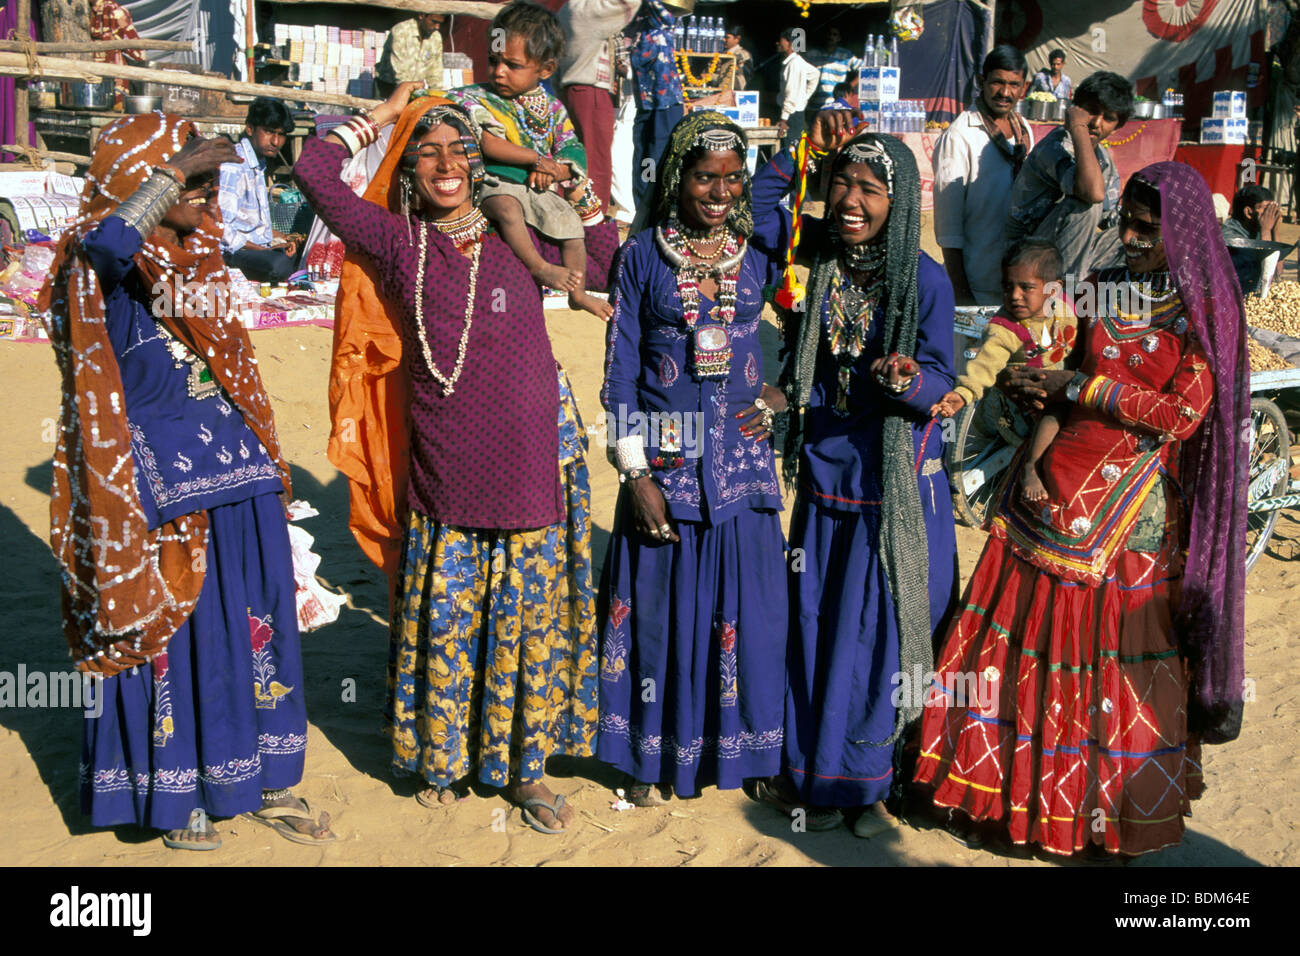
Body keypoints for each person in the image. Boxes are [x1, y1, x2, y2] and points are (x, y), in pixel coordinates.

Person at [294, 84, 617, 834]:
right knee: (452, 611)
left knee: (529, 616)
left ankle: (527, 772)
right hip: (448, 452)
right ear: (406, 171)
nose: (445, 163)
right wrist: (378, 119)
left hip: (534, 443)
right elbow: (314, 173)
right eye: (427, 152)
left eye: (458, 150)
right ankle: (446, 756)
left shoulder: (516, 230)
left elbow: (602, 264)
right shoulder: (397, 240)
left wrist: (579, 189)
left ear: (477, 165)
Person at [915, 163, 1250, 857]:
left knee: (1114, 662)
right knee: (1023, 648)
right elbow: (1051, 350)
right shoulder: (1097, 292)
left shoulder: (1203, 312)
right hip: (1045, 489)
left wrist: (1081, 385)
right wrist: (1028, 384)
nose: (1127, 238)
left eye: (1145, 230)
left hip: (1129, 512)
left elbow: (1181, 415)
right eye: (1123, 222)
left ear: (1183, 236)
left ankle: (1101, 816)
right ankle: (1013, 803)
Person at [39, 112, 333, 851]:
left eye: (209, 180)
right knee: (181, 635)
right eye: (193, 181)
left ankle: (252, 777)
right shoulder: (93, 270)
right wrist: (170, 176)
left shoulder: (193, 259)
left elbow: (254, 309)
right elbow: (106, 242)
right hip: (159, 485)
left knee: (250, 631)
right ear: (143, 180)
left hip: (238, 473)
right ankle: (179, 793)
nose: (207, 194)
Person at [751, 113, 959, 837]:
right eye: (844, 180)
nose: (852, 200)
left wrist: (907, 379)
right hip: (823, 475)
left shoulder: (925, 281)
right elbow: (754, 209)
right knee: (814, 627)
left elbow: (942, 379)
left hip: (890, 488)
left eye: (872, 188)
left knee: (875, 638)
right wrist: (800, 148)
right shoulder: (820, 258)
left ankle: (867, 788)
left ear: (900, 204)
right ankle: (807, 775)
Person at [598, 111, 788, 805]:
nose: (720, 191)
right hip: (668, 473)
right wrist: (635, 472)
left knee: (751, 615)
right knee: (662, 619)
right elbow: (620, 372)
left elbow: (813, 328)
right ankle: (650, 760)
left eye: (733, 179)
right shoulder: (643, 256)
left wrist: (781, 396)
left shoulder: (758, 253)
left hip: (743, 474)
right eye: (706, 176)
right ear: (677, 177)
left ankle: (750, 753)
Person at [448, 0, 611, 318]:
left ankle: (577, 294)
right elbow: (488, 142)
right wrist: (536, 160)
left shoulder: (552, 109)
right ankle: (540, 267)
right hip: (495, 187)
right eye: (493, 61)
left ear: (546, 69)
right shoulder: (476, 100)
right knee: (508, 209)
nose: (499, 72)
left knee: (571, 227)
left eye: (512, 64)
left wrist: (558, 169)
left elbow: (571, 147)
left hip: (537, 193)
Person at [1005, 71, 1134, 281]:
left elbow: (1112, 218)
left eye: (1108, 118)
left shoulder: (1102, 157)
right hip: (1027, 251)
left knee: (1137, 233)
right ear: (1076, 109)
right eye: (1091, 111)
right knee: (1086, 206)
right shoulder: (1055, 146)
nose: (1097, 123)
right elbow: (1091, 192)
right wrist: (1077, 127)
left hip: (1066, 250)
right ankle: (1069, 296)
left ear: (1117, 126)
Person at [932, 44, 1035, 305]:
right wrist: (962, 294)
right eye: (997, 82)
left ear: (1024, 87)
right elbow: (948, 228)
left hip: (1018, 283)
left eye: (1014, 84)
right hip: (977, 283)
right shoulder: (960, 136)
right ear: (981, 81)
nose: (1005, 92)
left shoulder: (1023, 130)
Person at [931, 239, 1076, 421]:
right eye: (1008, 287)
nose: (1015, 296)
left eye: (1026, 288)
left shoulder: (1064, 313)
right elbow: (984, 365)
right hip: (1017, 406)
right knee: (1053, 421)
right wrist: (964, 393)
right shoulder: (1004, 329)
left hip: (1055, 389)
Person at [557, 0, 642, 213]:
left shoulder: (567, 9)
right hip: (589, 91)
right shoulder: (588, 10)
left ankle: (577, 214)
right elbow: (628, 4)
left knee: (575, 157)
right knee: (597, 162)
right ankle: (594, 219)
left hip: (572, 89)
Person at [218, 97, 299, 284]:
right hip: (234, 252)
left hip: (257, 248)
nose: (276, 141)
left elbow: (255, 225)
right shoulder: (235, 165)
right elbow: (222, 229)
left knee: (300, 252)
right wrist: (262, 251)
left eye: (281, 134)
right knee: (278, 265)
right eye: (269, 132)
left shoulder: (258, 165)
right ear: (250, 129)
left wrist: (281, 240)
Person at [628, 0, 685, 216]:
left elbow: (660, 9)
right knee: (644, 158)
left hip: (666, 105)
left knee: (658, 155)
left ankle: (662, 210)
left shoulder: (665, 25)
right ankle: (644, 207)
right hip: (645, 105)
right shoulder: (636, 31)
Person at [1223, 183, 1283, 292]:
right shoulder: (1230, 236)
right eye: (1267, 210)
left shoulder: (1257, 227)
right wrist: (1265, 230)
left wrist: (1275, 230)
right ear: (1248, 212)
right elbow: (1266, 274)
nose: (1270, 215)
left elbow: (1277, 274)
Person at [375, 12, 445, 98]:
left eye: (440, 23)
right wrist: (409, 92)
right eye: (434, 22)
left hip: (415, 89)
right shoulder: (401, 31)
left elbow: (435, 69)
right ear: (421, 16)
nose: (437, 27)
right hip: (388, 86)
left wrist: (436, 95)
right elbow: (399, 69)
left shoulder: (436, 37)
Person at [777, 28, 821, 152]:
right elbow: (815, 73)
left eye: (781, 41)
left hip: (791, 115)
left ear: (790, 44)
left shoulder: (794, 64)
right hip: (793, 112)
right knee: (792, 150)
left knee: (790, 151)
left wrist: (784, 119)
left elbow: (790, 94)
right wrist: (803, 97)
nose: (778, 44)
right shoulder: (795, 62)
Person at [809, 25, 862, 112]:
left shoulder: (845, 55)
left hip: (836, 105)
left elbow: (863, 69)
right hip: (815, 105)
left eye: (834, 35)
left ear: (839, 38)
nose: (831, 37)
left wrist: (849, 87)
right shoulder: (813, 54)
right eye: (829, 34)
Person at [723, 24, 753, 91]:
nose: (723, 40)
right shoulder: (721, 53)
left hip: (736, 92)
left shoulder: (744, 55)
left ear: (737, 39)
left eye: (727, 37)